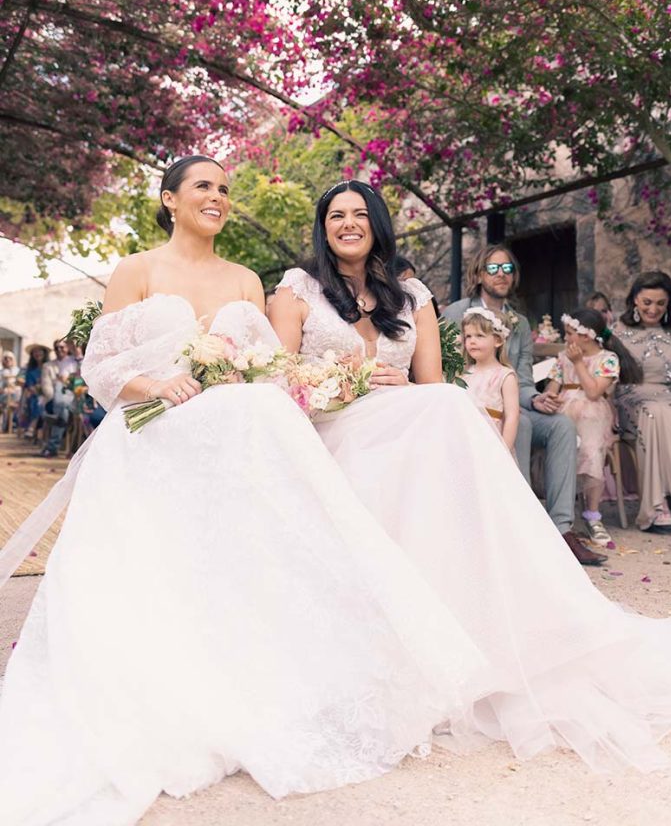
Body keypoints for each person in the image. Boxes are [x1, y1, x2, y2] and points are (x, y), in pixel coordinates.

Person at [0, 157, 483, 826]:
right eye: (204, 187)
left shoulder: (247, 280)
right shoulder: (136, 270)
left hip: (226, 421)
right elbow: (102, 371)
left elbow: (268, 372)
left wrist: (272, 382)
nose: (218, 197)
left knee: (263, 414)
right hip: (154, 427)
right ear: (170, 199)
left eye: (225, 189)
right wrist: (158, 387)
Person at [268, 179, 671, 773]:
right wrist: (342, 386)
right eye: (336, 215)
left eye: (361, 214)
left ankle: (497, 576)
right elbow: (282, 383)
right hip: (331, 425)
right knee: (441, 411)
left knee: (448, 405)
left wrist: (402, 385)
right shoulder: (297, 289)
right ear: (323, 225)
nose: (348, 224)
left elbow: (432, 383)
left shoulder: (409, 294)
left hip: (403, 415)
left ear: (378, 223)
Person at [441, 245, 601, 566]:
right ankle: (521, 525)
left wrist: (537, 398)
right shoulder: (456, 313)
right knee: (522, 424)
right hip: (472, 410)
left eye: (507, 269)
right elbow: (443, 366)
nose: (501, 276)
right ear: (478, 274)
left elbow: (524, 380)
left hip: (513, 402)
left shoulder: (520, 323)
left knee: (561, 426)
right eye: (493, 269)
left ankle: (562, 530)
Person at [545, 309, 638, 547]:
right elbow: (553, 387)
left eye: (569, 334)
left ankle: (592, 514)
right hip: (565, 410)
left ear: (586, 336)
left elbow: (594, 392)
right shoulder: (563, 357)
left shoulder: (607, 358)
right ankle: (560, 512)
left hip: (593, 412)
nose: (566, 339)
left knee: (589, 449)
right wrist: (550, 398)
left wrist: (578, 363)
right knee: (560, 444)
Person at [613, 271, 671, 532]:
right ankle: (657, 505)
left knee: (670, 414)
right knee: (654, 413)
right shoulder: (618, 332)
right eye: (646, 302)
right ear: (634, 301)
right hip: (633, 399)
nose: (653, 309)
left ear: (669, 304)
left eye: (660, 303)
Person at [461, 308, 520, 453]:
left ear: (498, 340)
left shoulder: (505, 376)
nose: (472, 341)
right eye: (468, 336)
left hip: (490, 443)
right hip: (466, 440)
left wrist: (504, 451)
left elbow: (512, 416)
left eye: (479, 335)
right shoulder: (464, 374)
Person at [40, 337, 80, 457]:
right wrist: (56, 399)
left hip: (74, 397)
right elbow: (46, 387)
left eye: (62, 347)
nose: (59, 350)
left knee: (62, 403)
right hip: (54, 399)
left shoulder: (75, 362)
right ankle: (54, 446)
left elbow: (79, 382)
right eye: (56, 348)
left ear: (67, 348)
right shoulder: (48, 366)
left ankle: (52, 447)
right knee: (61, 403)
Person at [16, 343, 50, 440]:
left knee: (40, 401)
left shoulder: (49, 366)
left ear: (44, 353)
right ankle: (32, 427)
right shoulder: (29, 369)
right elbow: (28, 385)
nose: (37, 353)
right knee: (36, 400)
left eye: (39, 351)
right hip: (34, 394)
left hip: (48, 393)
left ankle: (32, 427)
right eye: (35, 351)